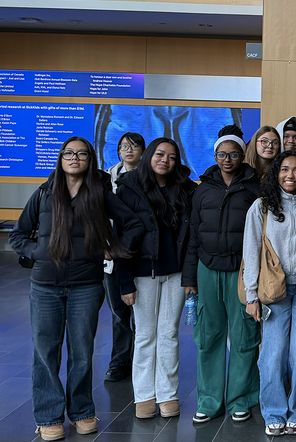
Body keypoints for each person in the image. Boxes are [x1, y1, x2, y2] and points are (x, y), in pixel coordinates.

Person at [10, 137, 143, 441]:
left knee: (82, 352)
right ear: (60, 158)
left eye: (81, 154)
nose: (74, 158)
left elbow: (133, 224)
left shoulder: (99, 193)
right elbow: (18, 235)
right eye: (69, 153)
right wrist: (38, 251)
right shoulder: (44, 193)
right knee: (46, 352)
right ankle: (48, 416)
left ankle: (82, 411)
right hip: (45, 286)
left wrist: (115, 249)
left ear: (90, 159)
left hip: (86, 285)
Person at [243, 151, 296, 436]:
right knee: (273, 353)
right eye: (284, 170)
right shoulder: (261, 207)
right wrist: (251, 295)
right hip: (273, 287)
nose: (290, 176)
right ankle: (273, 411)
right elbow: (251, 252)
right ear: (275, 173)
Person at [183, 126, 262, 424]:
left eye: (233, 154)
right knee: (208, 336)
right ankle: (209, 400)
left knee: (244, 336)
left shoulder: (254, 188)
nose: (227, 159)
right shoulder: (203, 188)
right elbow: (193, 235)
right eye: (221, 154)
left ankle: (241, 399)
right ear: (214, 156)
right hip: (206, 269)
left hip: (241, 271)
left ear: (243, 156)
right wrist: (190, 279)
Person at [116, 138, 197, 420]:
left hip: (174, 273)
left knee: (169, 334)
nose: (165, 160)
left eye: (172, 157)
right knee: (145, 335)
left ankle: (167, 394)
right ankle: (144, 396)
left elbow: (190, 239)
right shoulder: (129, 188)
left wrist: (190, 277)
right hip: (141, 274)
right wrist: (124, 282)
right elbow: (120, 238)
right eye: (160, 154)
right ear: (149, 155)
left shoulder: (186, 189)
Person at [104, 132, 146, 383]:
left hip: (140, 254)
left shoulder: (147, 178)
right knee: (119, 312)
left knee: (142, 314)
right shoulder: (106, 178)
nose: (128, 150)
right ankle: (120, 361)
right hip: (112, 253)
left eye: (133, 146)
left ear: (142, 150)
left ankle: (140, 361)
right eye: (123, 147)